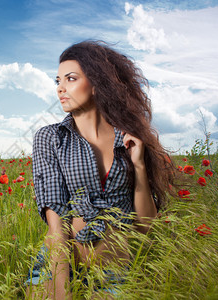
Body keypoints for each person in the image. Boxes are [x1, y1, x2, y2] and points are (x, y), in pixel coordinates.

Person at [27, 40, 177, 299]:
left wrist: (139, 166)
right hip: (60, 266)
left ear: (96, 83)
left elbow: (145, 228)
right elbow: (56, 223)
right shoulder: (50, 138)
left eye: (71, 79)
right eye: (58, 81)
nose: (61, 88)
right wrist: (62, 292)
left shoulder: (129, 138)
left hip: (117, 274)